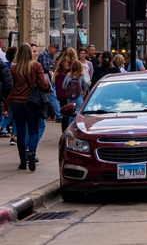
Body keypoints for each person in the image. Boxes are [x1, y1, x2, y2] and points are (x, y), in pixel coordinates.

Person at [4, 43, 51, 171]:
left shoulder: (14, 68)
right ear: (30, 53)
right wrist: (47, 90)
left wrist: (6, 105)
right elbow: (43, 83)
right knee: (33, 130)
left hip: (17, 103)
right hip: (32, 103)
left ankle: (22, 160)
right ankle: (32, 152)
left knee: (20, 132)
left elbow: (11, 88)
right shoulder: (36, 66)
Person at [62, 58, 90, 131]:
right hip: (79, 96)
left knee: (70, 114)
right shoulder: (81, 75)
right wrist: (85, 90)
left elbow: (63, 86)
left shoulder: (69, 75)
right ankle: (76, 129)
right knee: (78, 113)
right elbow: (87, 82)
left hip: (70, 97)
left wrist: (68, 89)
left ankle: (69, 129)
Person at [37, 42, 62, 122]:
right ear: (51, 48)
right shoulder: (44, 55)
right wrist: (52, 68)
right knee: (52, 96)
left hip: (49, 78)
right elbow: (45, 67)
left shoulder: (50, 56)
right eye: (55, 50)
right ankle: (59, 115)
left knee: (50, 97)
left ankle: (54, 114)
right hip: (46, 77)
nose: (55, 52)